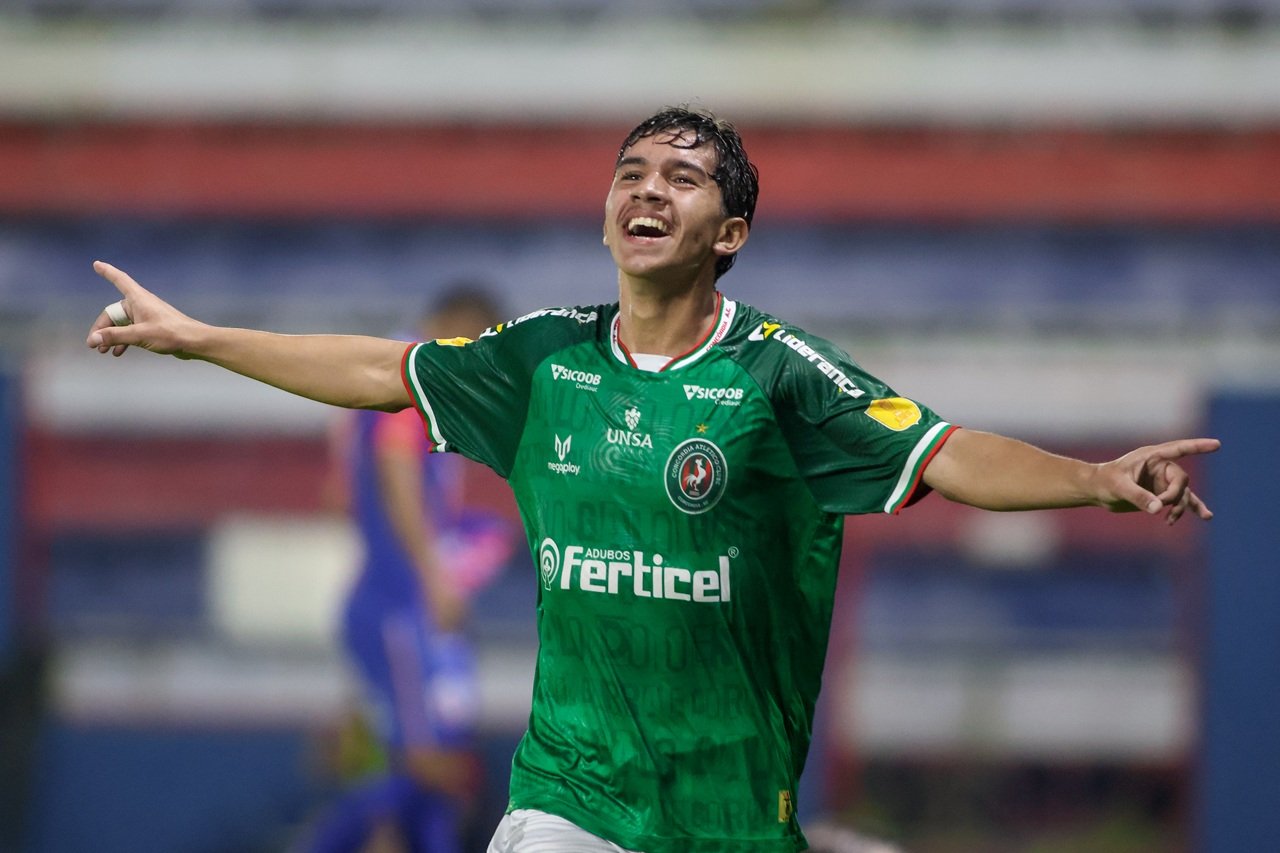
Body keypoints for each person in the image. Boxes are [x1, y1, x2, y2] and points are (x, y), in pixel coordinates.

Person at [85, 106, 1217, 853]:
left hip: (730, 808)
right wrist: (199, 338)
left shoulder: (781, 376)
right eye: (630, 172)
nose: (647, 189)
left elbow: (945, 451)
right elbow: (383, 370)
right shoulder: (543, 361)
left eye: (682, 178)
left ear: (730, 232)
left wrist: (1095, 479)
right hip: (569, 793)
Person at [301, 287, 515, 853]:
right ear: (460, 325)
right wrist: (433, 573)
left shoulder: (379, 374)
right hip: (400, 602)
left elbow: (339, 492)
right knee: (424, 770)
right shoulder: (410, 374)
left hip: (392, 599)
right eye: (479, 345)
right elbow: (395, 467)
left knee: (422, 773)